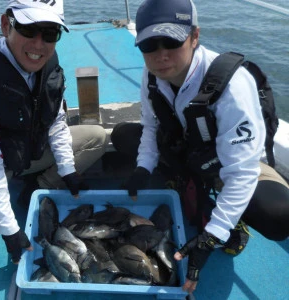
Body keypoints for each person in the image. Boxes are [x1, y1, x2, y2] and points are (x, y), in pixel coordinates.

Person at [111, 0, 289, 293]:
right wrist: (143, 168)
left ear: (194, 36)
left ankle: (230, 216)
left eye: (171, 40)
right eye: (149, 45)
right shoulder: (152, 74)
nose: (161, 55)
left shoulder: (232, 87)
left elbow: (242, 172)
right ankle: (183, 183)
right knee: (122, 135)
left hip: (228, 163)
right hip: (187, 149)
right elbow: (151, 126)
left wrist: (212, 235)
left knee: (279, 215)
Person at [0, 0, 107, 265]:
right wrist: (10, 228)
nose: (39, 44)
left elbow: (56, 121)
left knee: (97, 138)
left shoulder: (48, 63)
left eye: (50, 33)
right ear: (6, 25)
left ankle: (35, 187)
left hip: (31, 150)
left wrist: (68, 171)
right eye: (29, 30)